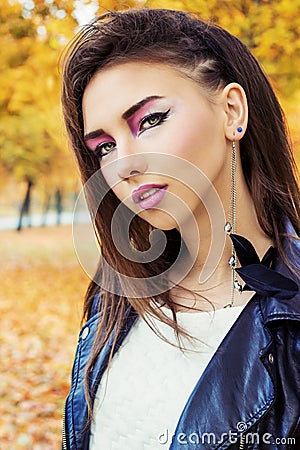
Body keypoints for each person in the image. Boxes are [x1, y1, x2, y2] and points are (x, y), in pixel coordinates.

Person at [61, 8, 300, 450]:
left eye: (150, 121)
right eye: (105, 147)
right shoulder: (114, 301)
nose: (125, 164)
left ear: (232, 111)